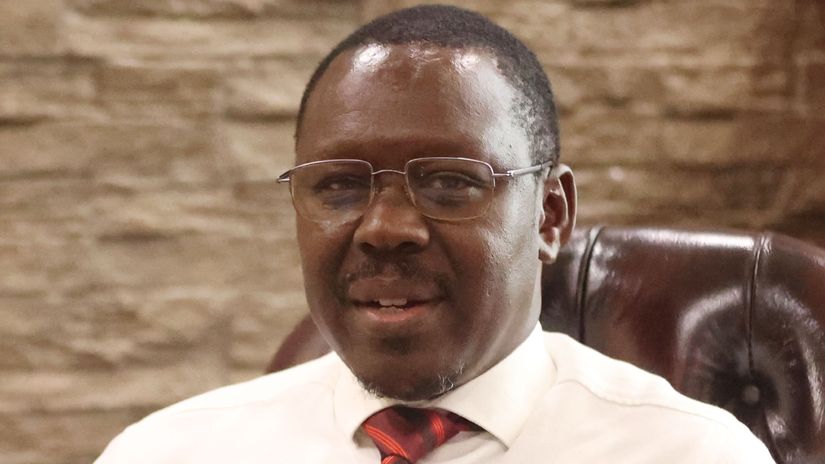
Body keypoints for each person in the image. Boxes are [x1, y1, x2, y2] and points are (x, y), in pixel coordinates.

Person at [96, 5, 775, 463]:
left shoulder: (688, 454)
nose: (385, 228)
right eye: (339, 186)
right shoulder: (168, 452)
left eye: (450, 182)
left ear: (549, 215)